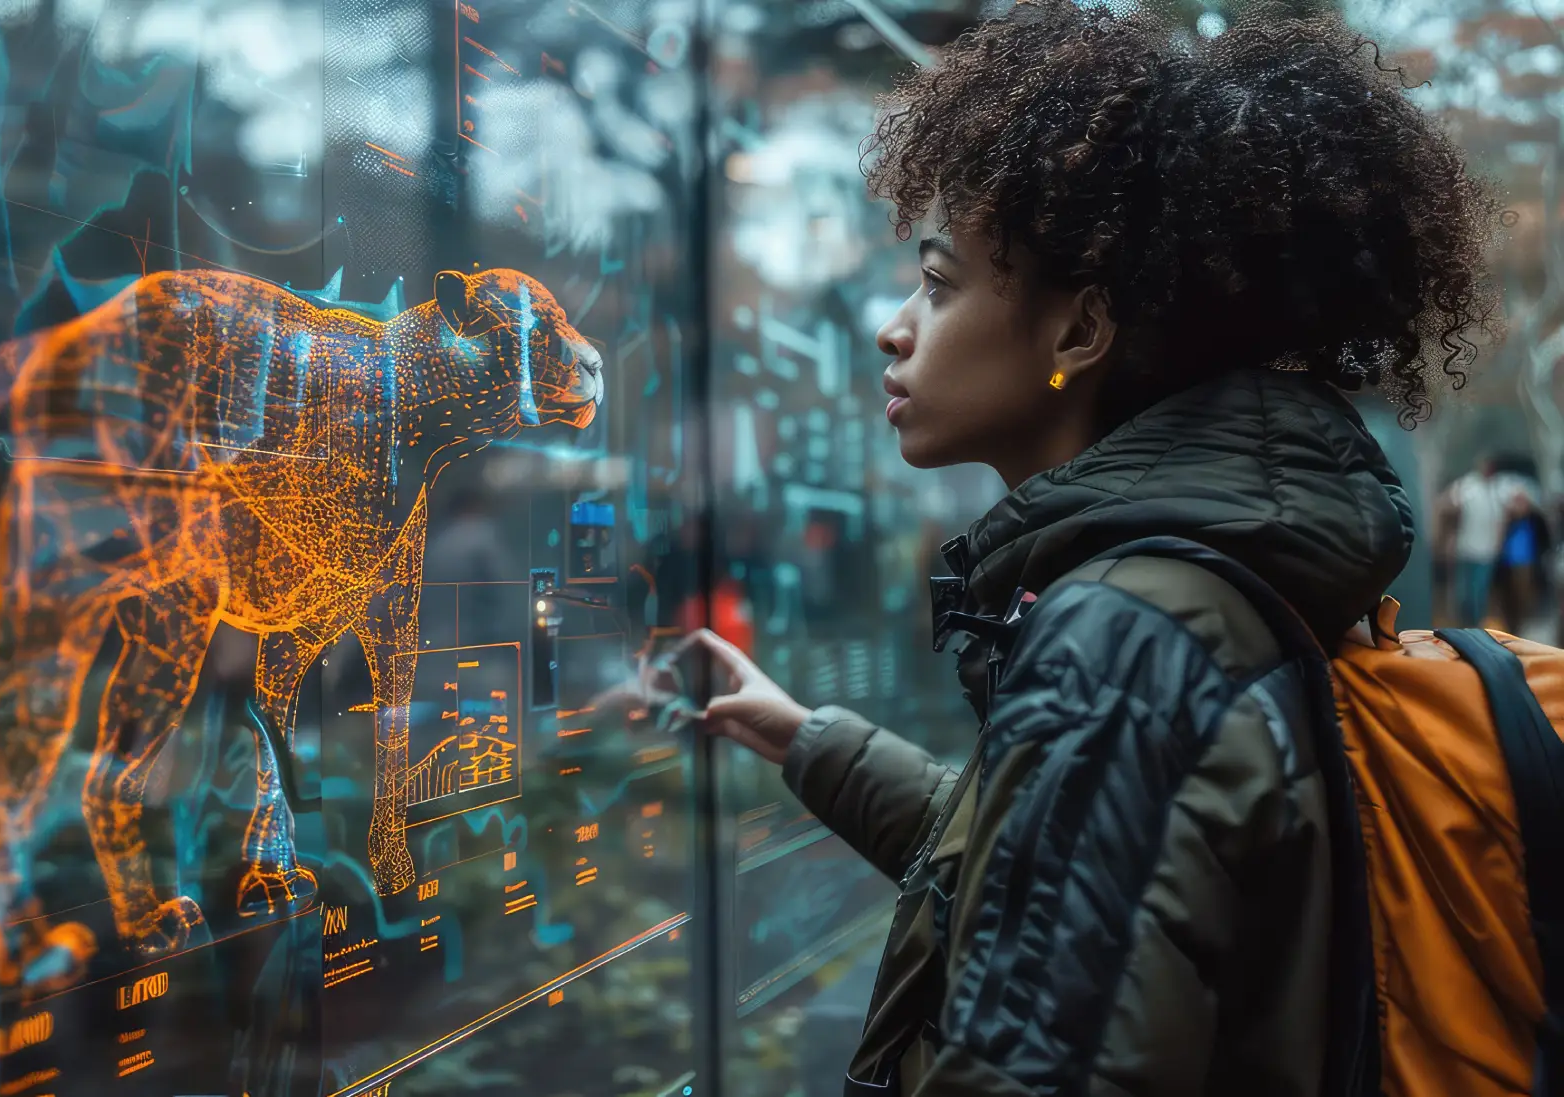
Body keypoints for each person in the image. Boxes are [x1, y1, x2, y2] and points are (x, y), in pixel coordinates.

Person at [634, 4, 1497, 1094]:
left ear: (1080, 333)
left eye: (940, 286)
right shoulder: (1186, 591)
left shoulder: (1127, 630)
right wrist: (808, 738)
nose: (895, 327)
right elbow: (1070, 868)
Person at [1443, 455, 1532, 627]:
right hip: (1465, 549)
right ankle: (1461, 626)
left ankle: (1474, 628)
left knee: (1478, 594)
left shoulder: (1502, 487)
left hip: (1486, 552)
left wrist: (1512, 513)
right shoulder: (1469, 484)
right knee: (1462, 594)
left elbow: (1523, 499)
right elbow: (1449, 502)